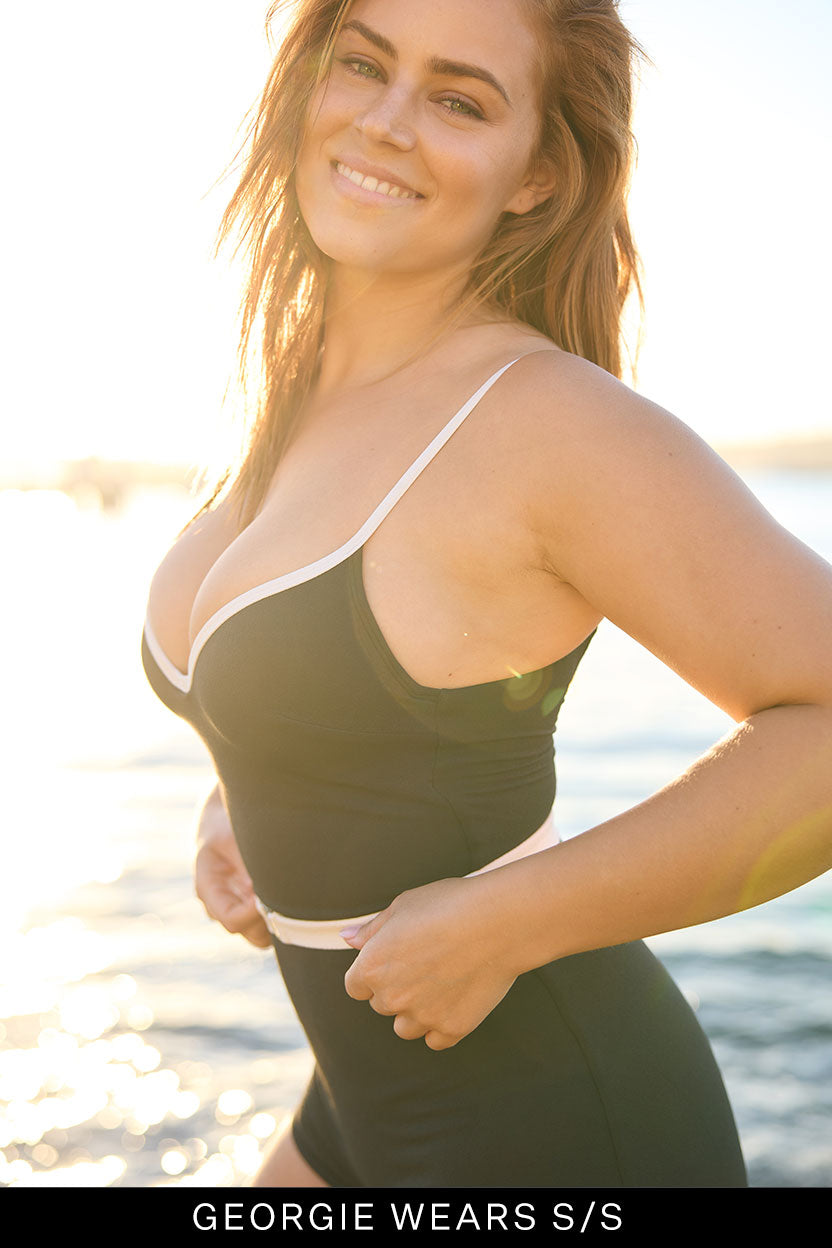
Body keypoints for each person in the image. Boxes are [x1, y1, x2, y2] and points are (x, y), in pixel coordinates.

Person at [141, 0, 832, 1188]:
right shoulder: (292, 401)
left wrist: (508, 923)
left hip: (555, 1121)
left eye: (459, 99)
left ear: (537, 173)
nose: (388, 120)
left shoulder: (546, 422)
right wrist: (241, 792)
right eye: (364, 63)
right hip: (354, 1102)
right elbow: (334, 688)